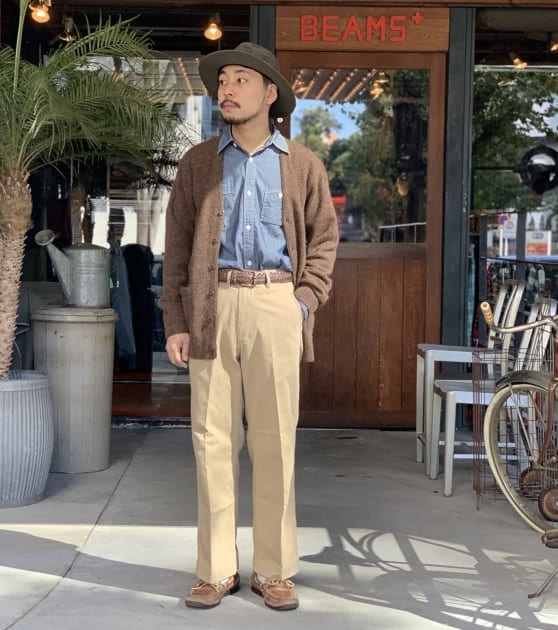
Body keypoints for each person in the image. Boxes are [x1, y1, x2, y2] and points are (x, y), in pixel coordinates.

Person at [159, 41, 338, 611]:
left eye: (240, 79)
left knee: (275, 439)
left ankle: (274, 569)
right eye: (222, 81)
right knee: (211, 439)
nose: (227, 89)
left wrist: (302, 302)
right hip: (211, 305)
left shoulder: (303, 164)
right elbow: (177, 244)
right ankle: (215, 570)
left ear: (269, 93)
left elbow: (324, 240)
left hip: (275, 303)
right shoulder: (198, 164)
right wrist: (176, 319)